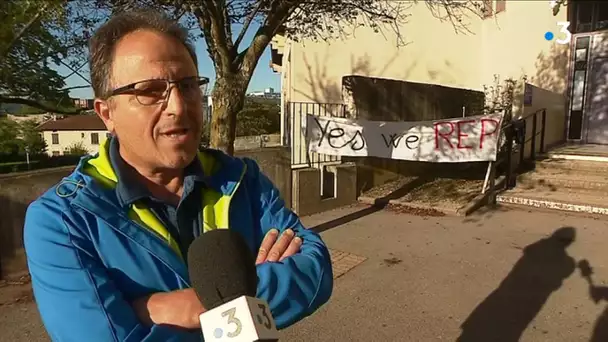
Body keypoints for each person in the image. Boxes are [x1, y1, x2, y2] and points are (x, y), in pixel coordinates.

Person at [23, 9, 333, 341]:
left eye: (187, 85)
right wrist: (246, 303)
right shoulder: (62, 220)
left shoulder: (241, 178)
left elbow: (315, 274)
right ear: (106, 113)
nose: (178, 106)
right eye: (150, 90)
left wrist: (157, 309)